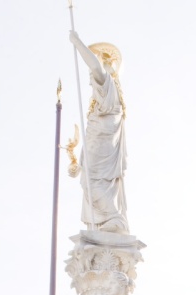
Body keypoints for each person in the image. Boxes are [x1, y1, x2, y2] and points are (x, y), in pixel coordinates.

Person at [69, 31, 128, 233]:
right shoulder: (101, 101)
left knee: (93, 183)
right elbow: (89, 139)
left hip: (104, 146)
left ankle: (113, 218)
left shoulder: (107, 86)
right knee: (89, 183)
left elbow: (94, 66)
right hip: (99, 145)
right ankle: (105, 221)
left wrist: (77, 42)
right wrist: (79, 164)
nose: (90, 80)